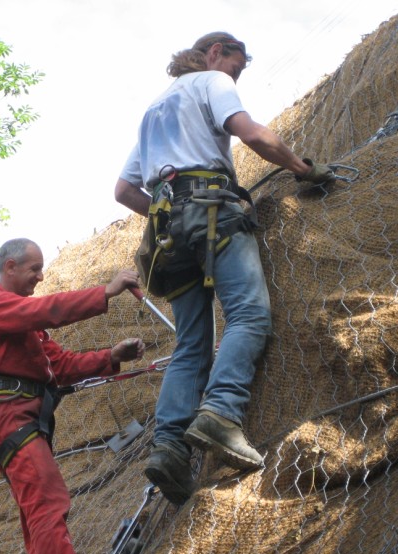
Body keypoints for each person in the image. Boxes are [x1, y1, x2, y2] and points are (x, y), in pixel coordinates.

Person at [114, 32, 336, 506]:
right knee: (249, 315)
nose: (235, 76)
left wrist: (172, 213)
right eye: (236, 66)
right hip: (212, 213)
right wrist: (303, 168)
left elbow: (124, 191)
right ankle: (220, 413)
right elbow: (251, 133)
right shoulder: (211, 80)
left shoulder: (154, 111)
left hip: (166, 236)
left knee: (191, 342)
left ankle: (170, 447)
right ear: (216, 53)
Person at [0, 238, 145, 554]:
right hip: (8, 419)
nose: (41, 277)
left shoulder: (25, 327)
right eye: (34, 268)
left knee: (37, 517)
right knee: (47, 500)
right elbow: (48, 310)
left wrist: (111, 356)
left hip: (15, 422)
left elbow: (59, 366)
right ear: (10, 267)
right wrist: (104, 293)